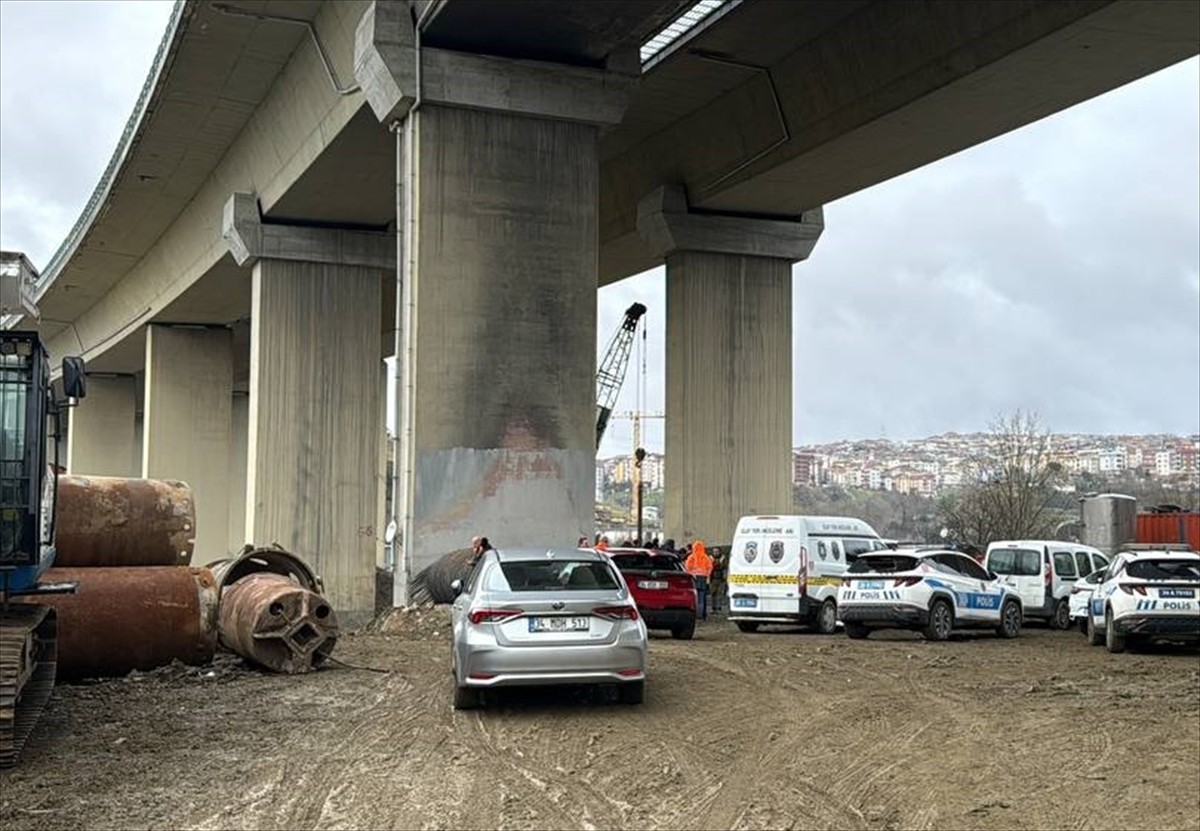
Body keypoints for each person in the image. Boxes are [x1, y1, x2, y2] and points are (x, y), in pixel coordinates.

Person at [684, 539, 714, 621]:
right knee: (702, 597)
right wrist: (706, 574)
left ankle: (696, 614)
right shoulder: (706, 557)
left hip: (694, 578)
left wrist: (692, 573)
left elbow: (687, 567)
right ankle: (701, 615)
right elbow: (710, 567)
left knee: (695, 597)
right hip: (703, 578)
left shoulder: (691, 557)